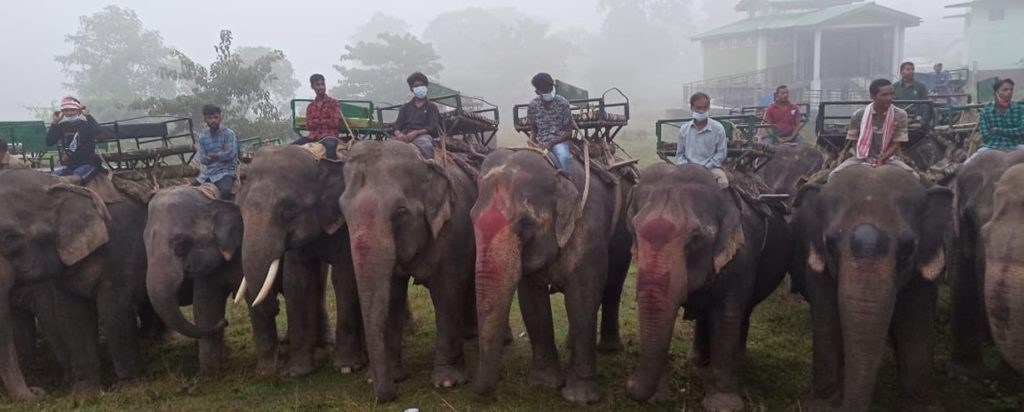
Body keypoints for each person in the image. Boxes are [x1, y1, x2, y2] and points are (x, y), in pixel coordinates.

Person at [830, 79, 917, 179]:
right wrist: (867, 157)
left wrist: (881, 159)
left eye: (891, 94)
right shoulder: (858, 115)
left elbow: (897, 143)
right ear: (873, 96)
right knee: (833, 176)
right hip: (862, 157)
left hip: (889, 158)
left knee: (915, 177)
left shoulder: (900, 115)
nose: (890, 98)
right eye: (884, 95)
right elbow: (854, 140)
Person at [45, 96, 104, 184]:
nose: (69, 113)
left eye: (72, 110)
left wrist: (88, 116)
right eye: (66, 110)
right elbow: (49, 142)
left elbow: (98, 131)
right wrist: (55, 123)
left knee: (75, 178)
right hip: (70, 166)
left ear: (78, 111)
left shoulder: (86, 125)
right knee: (50, 178)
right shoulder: (61, 126)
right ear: (62, 112)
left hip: (88, 164)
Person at [676, 92, 729, 188]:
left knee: (723, 183)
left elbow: (721, 153)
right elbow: (680, 154)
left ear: (708, 108)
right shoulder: (684, 129)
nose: (701, 111)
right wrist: (686, 167)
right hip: (688, 169)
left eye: (704, 108)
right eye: (698, 108)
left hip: (711, 169)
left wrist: (706, 168)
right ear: (692, 108)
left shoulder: (718, 128)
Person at [526, 72, 573, 172]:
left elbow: (569, 132)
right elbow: (533, 130)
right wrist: (532, 141)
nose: (548, 91)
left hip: (559, 142)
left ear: (553, 87)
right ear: (537, 92)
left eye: (549, 88)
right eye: (544, 90)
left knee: (564, 158)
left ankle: (567, 182)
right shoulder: (533, 105)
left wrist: (551, 143)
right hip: (540, 144)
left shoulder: (563, 103)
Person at [969, 78, 1024, 162]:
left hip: (1015, 146)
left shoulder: (1020, 109)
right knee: (967, 165)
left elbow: (1021, 131)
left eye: (1011, 90)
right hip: (990, 148)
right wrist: (1011, 132)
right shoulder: (986, 112)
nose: (1009, 92)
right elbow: (985, 136)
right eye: (1005, 90)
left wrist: (997, 130)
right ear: (995, 93)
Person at [192, 104, 238, 200]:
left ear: (220, 118)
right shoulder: (203, 137)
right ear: (205, 119)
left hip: (226, 172)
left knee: (225, 191)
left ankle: (226, 213)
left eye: (216, 117)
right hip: (208, 173)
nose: (213, 120)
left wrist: (213, 155)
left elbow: (230, 154)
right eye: (210, 118)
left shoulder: (229, 134)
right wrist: (221, 155)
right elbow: (203, 159)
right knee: (190, 190)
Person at [393, 72, 440, 159]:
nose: (420, 88)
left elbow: (432, 127)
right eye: (417, 86)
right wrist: (399, 135)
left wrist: (416, 133)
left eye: (422, 85)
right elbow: (396, 127)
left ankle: (430, 167)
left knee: (427, 146)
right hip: (404, 137)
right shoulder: (405, 107)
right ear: (412, 89)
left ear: (426, 87)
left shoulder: (431, 107)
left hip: (422, 137)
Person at [292, 73, 341, 159]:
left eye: (323, 84)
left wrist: (316, 122)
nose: (321, 87)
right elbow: (309, 126)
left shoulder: (333, 103)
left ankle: (333, 170)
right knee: (291, 147)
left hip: (329, 136)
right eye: (318, 85)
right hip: (313, 137)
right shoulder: (310, 107)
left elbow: (334, 122)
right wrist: (324, 121)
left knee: (331, 148)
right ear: (312, 87)